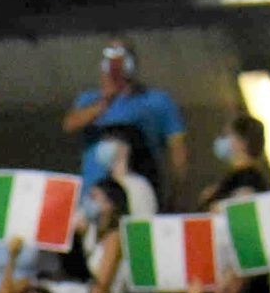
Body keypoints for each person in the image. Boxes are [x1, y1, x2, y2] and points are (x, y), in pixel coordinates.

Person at [67, 39, 189, 199]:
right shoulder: (89, 100)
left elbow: (177, 147)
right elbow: (70, 124)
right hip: (95, 192)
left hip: (140, 189)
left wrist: (178, 191)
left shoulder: (157, 101)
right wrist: (104, 101)